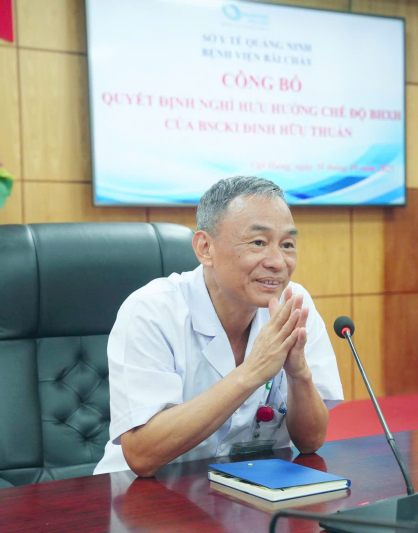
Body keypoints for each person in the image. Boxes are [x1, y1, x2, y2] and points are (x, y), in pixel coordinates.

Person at [94, 176, 344, 476]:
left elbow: (311, 441)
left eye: (287, 244)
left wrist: (298, 373)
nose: (278, 262)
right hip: (142, 492)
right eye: (258, 242)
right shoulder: (152, 310)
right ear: (205, 248)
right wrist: (252, 371)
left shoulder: (293, 304)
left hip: (247, 488)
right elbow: (142, 455)